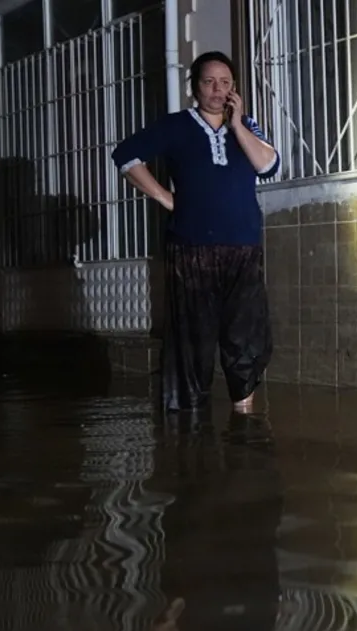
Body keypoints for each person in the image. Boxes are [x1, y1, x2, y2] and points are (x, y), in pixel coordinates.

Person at [111, 51, 279, 413]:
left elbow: (268, 166)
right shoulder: (176, 126)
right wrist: (165, 197)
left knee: (245, 336)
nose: (217, 90)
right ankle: (188, 426)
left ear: (234, 89)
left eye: (225, 83)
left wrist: (237, 125)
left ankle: (244, 417)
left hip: (243, 247)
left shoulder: (248, 127)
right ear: (195, 87)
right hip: (191, 249)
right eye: (209, 82)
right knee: (192, 339)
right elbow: (125, 156)